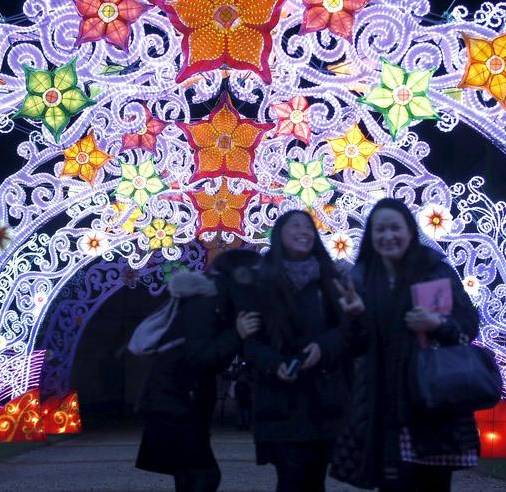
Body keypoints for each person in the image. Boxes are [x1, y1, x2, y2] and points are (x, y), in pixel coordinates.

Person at [329, 198, 480, 492]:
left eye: (395, 228)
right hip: (384, 405)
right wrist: (355, 315)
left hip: (434, 400)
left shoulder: (435, 270)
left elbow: (469, 323)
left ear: (410, 231)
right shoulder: (362, 280)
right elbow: (351, 348)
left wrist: (438, 325)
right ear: (371, 237)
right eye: (379, 230)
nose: (388, 236)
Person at [133, 249, 262, 492]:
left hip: (178, 402)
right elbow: (199, 358)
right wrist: (237, 334)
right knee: (203, 476)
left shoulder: (215, 302)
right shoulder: (207, 303)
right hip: (176, 403)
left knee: (189, 475)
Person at [242, 210, 350, 492]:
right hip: (280, 401)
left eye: (309, 227)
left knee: (315, 480)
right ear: (279, 234)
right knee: (290, 479)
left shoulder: (331, 279)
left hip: (323, 399)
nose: (304, 231)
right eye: (296, 225)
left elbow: (347, 330)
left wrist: (324, 348)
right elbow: (249, 342)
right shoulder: (260, 281)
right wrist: (274, 363)